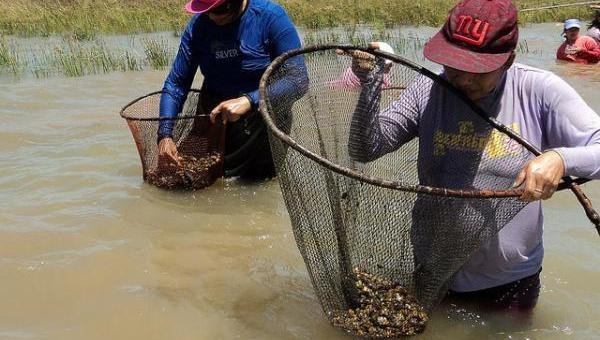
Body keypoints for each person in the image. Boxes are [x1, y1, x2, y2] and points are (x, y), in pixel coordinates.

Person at [349, 0, 600, 311]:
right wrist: (371, 83)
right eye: (455, 65)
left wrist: (560, 159)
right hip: (431, 269)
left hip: (508, 283)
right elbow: (365, 149)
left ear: (508, 60)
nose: (464, 79)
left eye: (478, 71)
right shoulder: (428, 89)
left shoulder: (538, 90)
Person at [157, 0, 306, 180]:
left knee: (256, 188)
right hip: (214, 117)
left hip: (263, 119)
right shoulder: (198, 26)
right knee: (201, 183)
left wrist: (250, 100)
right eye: (207, 11)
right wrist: (165, 134)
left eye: (220, 9)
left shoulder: (271, 18)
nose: (213, 17)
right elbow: (176, 84)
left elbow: (298, 80)